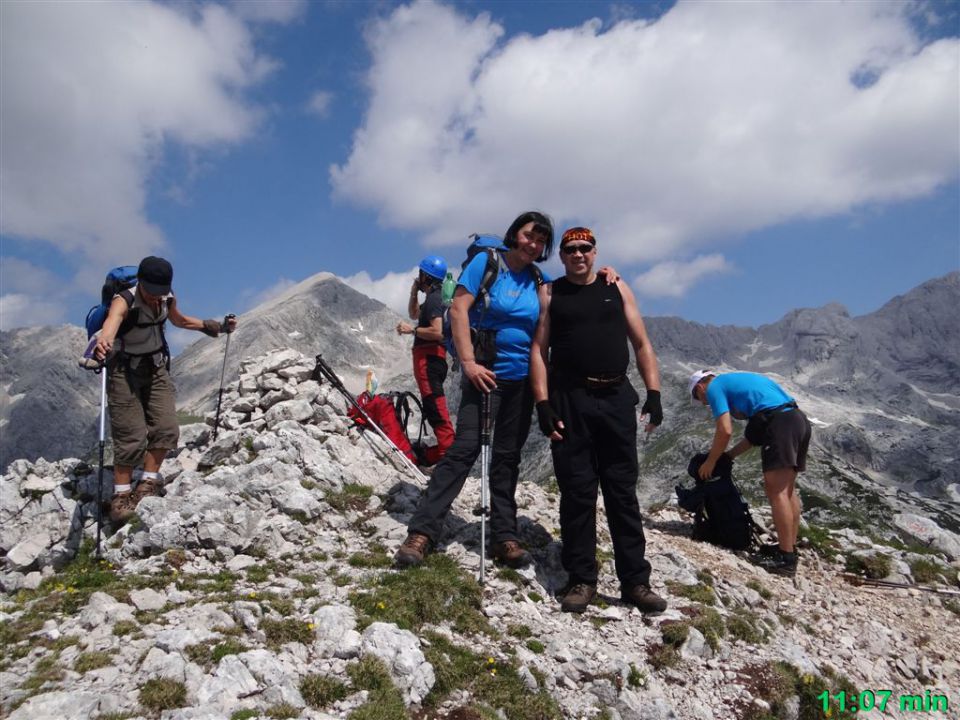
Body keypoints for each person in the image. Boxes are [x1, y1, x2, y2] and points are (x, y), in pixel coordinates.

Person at [394, 211, 559, 570]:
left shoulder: (538, 279)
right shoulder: (487, 263)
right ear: (516, 234)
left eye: (542, 241)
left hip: (521, 380)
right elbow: (459, 311)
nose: (534, 244)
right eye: (530, 236)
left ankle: (504, 536)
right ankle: (421, 533)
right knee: (464, 449)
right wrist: (468, 364)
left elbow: (547, 326)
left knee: (507, 457)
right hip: (484, 373)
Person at [530, 227, 667, 614]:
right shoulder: (551, 294)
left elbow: (642, 343)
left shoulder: (617, 287)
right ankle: (582, 579)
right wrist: (542, 404)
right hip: (569, 400)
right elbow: (539, 350)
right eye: (570, 250)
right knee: (577, 492)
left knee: (622, 491)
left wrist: (654, 393)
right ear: (562, 256)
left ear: (595, 251)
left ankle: (636, 582)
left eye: (585, 248)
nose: (578, 255)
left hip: (615, 397)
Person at [94, 256, 237, 524]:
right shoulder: (123, 299)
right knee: (131, 436)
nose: (155, 298)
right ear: (142, 284)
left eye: (161, 292)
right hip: (124, 372)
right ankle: (120, 498)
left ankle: (147, 485)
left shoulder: (166, 297)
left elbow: (180, 321)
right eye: (151, 292)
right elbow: (110, 327)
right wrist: (104, 342)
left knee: (167, 428)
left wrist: (215, 327)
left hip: (156, 367)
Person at [688, 370, 812, 576]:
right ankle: (788, 546)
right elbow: (754, 436)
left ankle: (786, 559)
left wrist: (710, 462)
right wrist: (728, 456)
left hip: (780, 424)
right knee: (788, 491)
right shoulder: (740, 384)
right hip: (797, 420)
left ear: (700, 387)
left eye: (699, 398)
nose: (704, 403)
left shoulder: (716, 387)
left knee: (776, 491)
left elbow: (725, 430)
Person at [395, 255, 455, 467]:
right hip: (433, 360)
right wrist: (413, 292)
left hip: (428, 360)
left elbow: (437, 331)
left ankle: (447, 453)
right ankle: (433, 455)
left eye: (420, 275)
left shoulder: (433, 300)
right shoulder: (434, 299)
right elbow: (413, 313)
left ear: (426, 277)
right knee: (434, 406)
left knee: (435, 407)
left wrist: (412, 330)